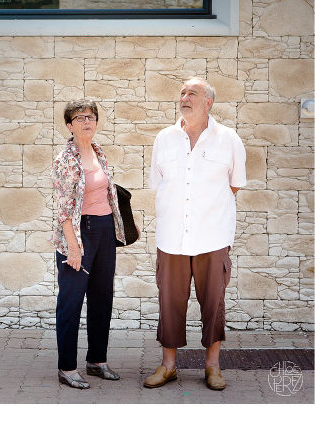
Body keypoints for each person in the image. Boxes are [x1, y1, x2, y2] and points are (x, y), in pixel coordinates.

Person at [144, 78, 246, 391]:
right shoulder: (164, 138)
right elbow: (158, 185)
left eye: (193, 93)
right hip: (171, 238)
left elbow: (234, 185)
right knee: (170, 303)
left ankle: (212, 366)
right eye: (183, 93)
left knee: (213, 303)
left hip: (212, 237)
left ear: (208, 102)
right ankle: (168, 366)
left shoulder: (228, 139)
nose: (185, 97)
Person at [51, 99, 129, 389]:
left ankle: (97, 361)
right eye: (80, 117)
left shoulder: (99, 152)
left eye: (91, 117)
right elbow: (63, 208)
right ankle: (67, 367)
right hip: (79, 232)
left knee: (102, 298)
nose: (87, 121)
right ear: (69, 125)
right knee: (70, 302)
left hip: (105, 229)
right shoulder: (65, 160)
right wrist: (72, 246)